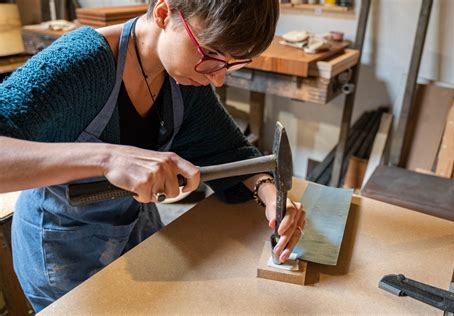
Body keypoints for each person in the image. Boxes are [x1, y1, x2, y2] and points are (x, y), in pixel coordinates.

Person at [0, 0, 306, 312]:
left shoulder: (184, 79)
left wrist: (269, 193)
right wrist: (108, 158)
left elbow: (230, 151)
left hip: (136, 234)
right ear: (163, 13)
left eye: (233, 64)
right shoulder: (82, 62)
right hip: (61, 255)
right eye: (209, 56)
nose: (217, 79)